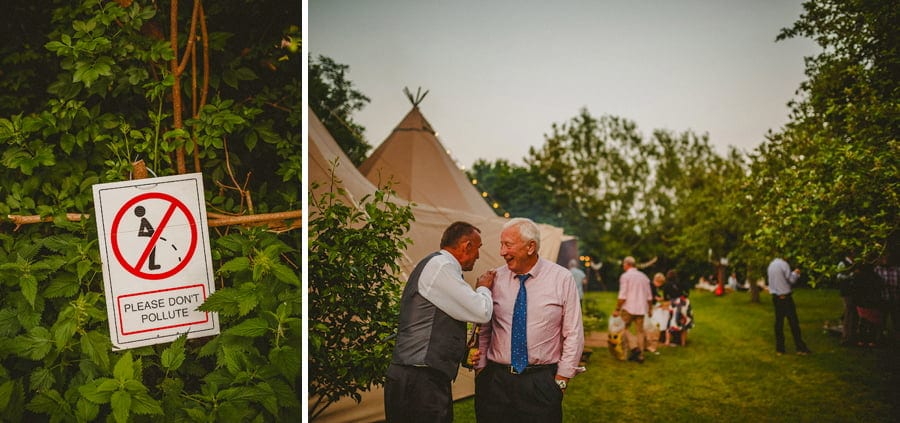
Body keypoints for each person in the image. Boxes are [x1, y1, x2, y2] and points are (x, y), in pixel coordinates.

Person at [385, 221, 496, 423]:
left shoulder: (438, 266)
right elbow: (482, 311)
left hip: (414, 376)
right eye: (478, 249)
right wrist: (483, 287)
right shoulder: (441, 266)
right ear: (467, 246)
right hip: (420, 381)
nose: (479, 256)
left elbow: (435, 321)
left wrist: (461, 353)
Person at [474, 218, 584, 423]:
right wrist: (481, 370)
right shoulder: (494, 278)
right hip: (495, 382)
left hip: (540, 383)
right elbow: (484, 329)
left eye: (508, 244)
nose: (502, 252)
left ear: (530, 246)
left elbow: (573, 332)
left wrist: (561, 380)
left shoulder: (561, 278)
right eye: (501, 244)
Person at [767, 256, 811, 356]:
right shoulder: (784, 264)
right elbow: (791, 280)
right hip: (785, 297)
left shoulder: (771, 265)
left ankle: (780, 349)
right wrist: (796, 273)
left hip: (776, 297)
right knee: (793, 322)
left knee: (779, 323)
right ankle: (800, 347)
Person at [612, 256, 653, 363]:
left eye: (624, 265)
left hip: (628, 308)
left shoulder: (625, 276)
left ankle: (635, 348)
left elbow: (622, 295)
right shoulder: (644, 276)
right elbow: (649, 296)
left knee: (622, 329)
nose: (623, 267)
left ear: (627, 264)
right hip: (641, 308)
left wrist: (617, 309)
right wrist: (650, 309)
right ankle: (640, 356)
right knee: (640, 332)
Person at [836, 254, 858, 346]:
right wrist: (852, 275)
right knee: (848, 313)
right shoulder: (843, 263)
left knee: (852, 313)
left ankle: (851, 336)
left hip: (854, 291)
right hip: (846, 291)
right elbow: (839, 276)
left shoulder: (855, 262)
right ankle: (846, 337)